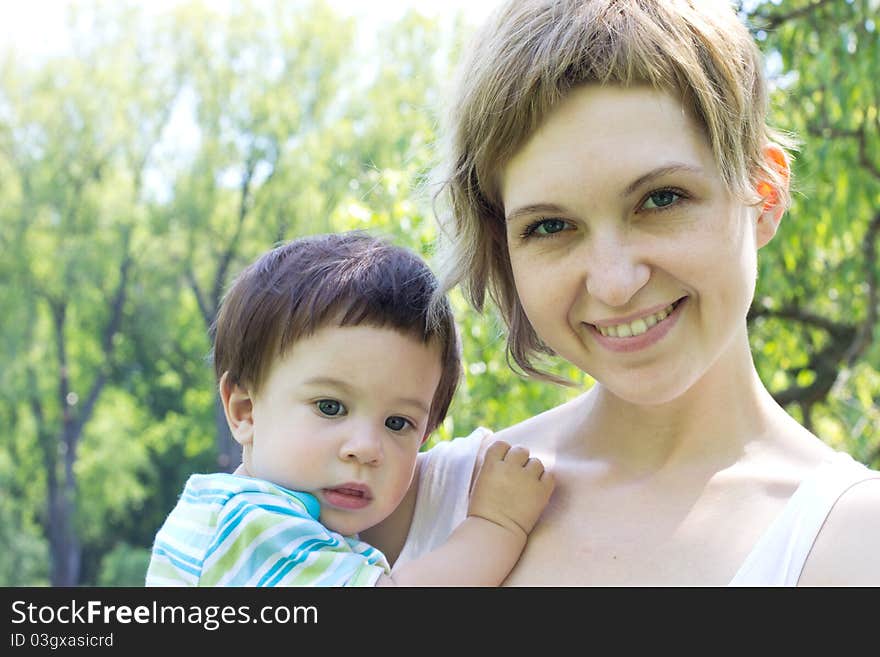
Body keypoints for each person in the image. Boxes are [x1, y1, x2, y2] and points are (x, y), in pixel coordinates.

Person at [360, 0, 880, 585]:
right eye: (551, 227)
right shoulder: (401, 506)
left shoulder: (855, 541)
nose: (613, 284)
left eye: (661, 199)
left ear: (764, 192)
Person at [145, 232, 554, 586]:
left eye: (398, 423)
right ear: (245, 411)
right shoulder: (253, 526)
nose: (365, 447)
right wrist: (497, 525)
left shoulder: (230, 515)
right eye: (330, 407)